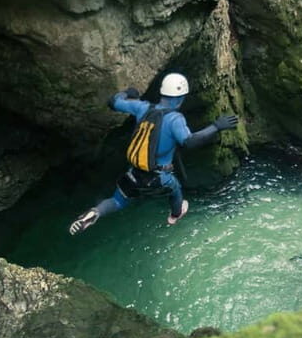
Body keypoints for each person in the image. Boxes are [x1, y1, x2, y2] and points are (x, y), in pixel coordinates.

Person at [68, 73, 239, 235]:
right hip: (158, 177)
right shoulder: (175, 119)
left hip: (133, 173)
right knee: (176, 189)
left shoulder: (141, 107)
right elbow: (189, 142)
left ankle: (95, 212)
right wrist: (216, 126)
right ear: (180, 98)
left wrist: (128, 92)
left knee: (117, 201)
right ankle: (175, 215)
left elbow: (113, 101)